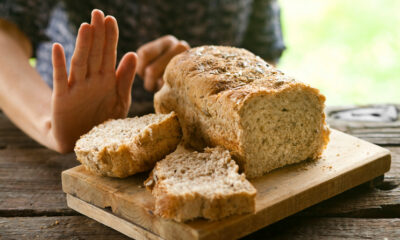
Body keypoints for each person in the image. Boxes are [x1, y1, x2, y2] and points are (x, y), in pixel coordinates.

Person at [0, 0, 285, 153]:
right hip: (54, 142)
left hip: (201, 146)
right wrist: (48, 122)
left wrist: (195, 74)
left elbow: (262, 58)